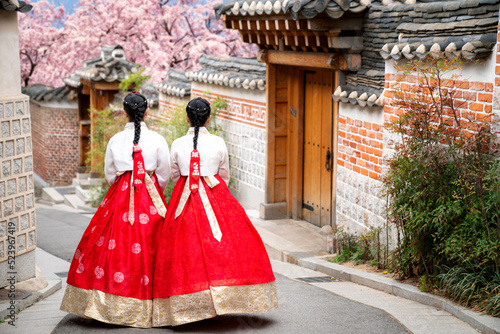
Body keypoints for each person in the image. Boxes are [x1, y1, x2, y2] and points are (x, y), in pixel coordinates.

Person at [152, 97, 278, 327]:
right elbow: (225, 174)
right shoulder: (219, 141)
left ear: (187, 118)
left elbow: (175, 176)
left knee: (185, 250)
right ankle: (225, 298)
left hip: (185, 195)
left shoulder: (178, 143)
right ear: (209, 118)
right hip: (215, 192)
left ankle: (187, 303)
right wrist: (217, 195)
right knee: (223, 247)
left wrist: (188, 186)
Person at [60, 92, 170, 328]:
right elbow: (164, 174)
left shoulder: (115, 140)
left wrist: (122, 188)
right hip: (149, 194)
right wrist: (152, 189)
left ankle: (109, 303)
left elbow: (110, 174)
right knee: (153, 246)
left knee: (113, 246)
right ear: (147, 111)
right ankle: (155, 303)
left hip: (119, 196)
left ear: (124, 112)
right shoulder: (158, 139)